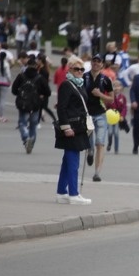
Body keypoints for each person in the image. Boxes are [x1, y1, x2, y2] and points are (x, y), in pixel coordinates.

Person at [55, 57, 93, 204]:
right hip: (71, 128)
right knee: (73, 162)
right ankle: (73, 194)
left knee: (67, 161)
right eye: (76, 69)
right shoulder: (66, 84)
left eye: (82, 69)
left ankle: (61, 192)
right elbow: (62, 107)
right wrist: (66, 127)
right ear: (70, 69)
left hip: (79, 127)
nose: (79, 72)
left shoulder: (80, 84)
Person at [11, 55, 51, 154]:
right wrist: (40, 94)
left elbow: (14, 90)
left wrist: (20, 94)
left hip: (23, 103)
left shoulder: (21, 76)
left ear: (27, 65)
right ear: (36, 66)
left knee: (22, 123)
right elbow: (48, 92)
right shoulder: (40, 78)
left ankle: (25, 138)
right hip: (36, 104)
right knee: (33, 124)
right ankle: (31, 142)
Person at [83, 54, 113, 181]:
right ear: (91, 63)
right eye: (94, 61)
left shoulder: (106, 80)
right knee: (89, 140)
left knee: (100, 143)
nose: (96, 63)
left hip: (100, 114)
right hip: (87, 114)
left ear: (102, 64)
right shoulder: (84, 77)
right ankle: (89, 151)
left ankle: (97, 173)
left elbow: (111, 99)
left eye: (98, 62)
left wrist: (100, 94)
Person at [106, 79, 127, 154]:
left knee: (116, 133)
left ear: (121, 87)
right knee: (110, 132)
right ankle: (109, 143)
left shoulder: (123, 97)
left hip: (118, 117)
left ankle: (116, 149)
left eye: (118, 86)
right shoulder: (110, 96)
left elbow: (124, 108)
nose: (117, 88)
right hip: (110, 117)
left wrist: (122, 116)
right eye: (114, 86)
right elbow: (107, 106)